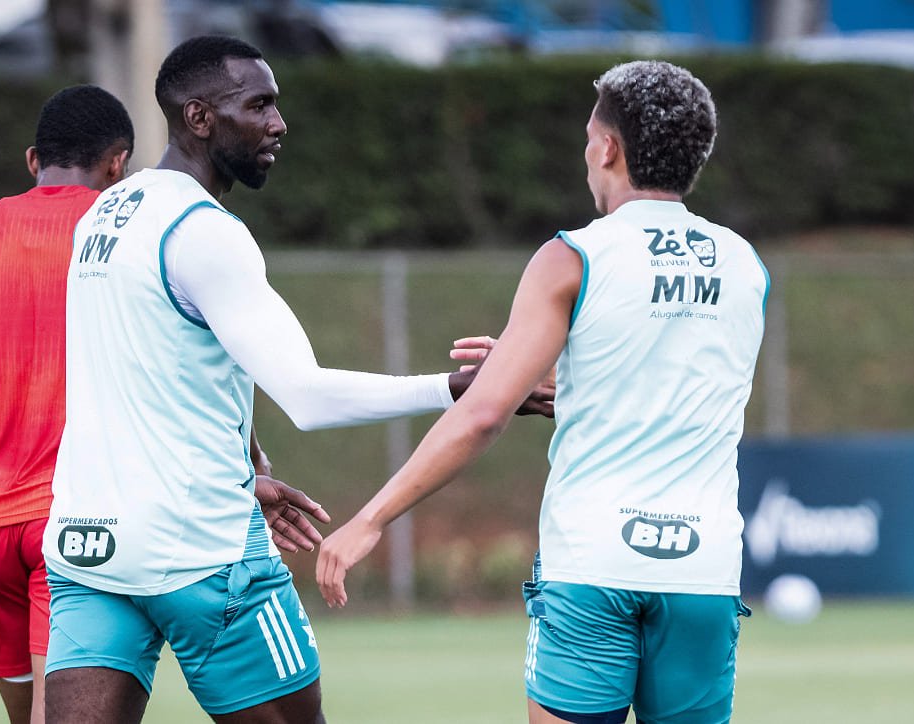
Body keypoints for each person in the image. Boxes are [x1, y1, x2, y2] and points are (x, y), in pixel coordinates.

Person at [41, 35, 551, 724]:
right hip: (202, 557)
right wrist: (453, 388)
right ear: (199, 118)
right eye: (259, 105)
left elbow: (148, 377)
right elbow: (307, 398)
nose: (279, 124)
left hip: (87, 548)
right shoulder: (203, 230)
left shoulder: (102, 215)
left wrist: (243, 467)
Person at [317, 60, 768, 724]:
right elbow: (677, 380)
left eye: (591, 136)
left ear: (609, 147)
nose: (588, 152)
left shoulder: (572, 256)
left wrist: (370, 519)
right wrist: (579, 387)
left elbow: (483, 415)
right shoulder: (743, 263)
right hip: (701, 568)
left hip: (593, 562)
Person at [0, 84, 328, 724]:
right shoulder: (119, 232)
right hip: (84, 516)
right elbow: (196, 356)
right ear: (120, 164)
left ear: (34, 161)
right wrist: (246, 468)